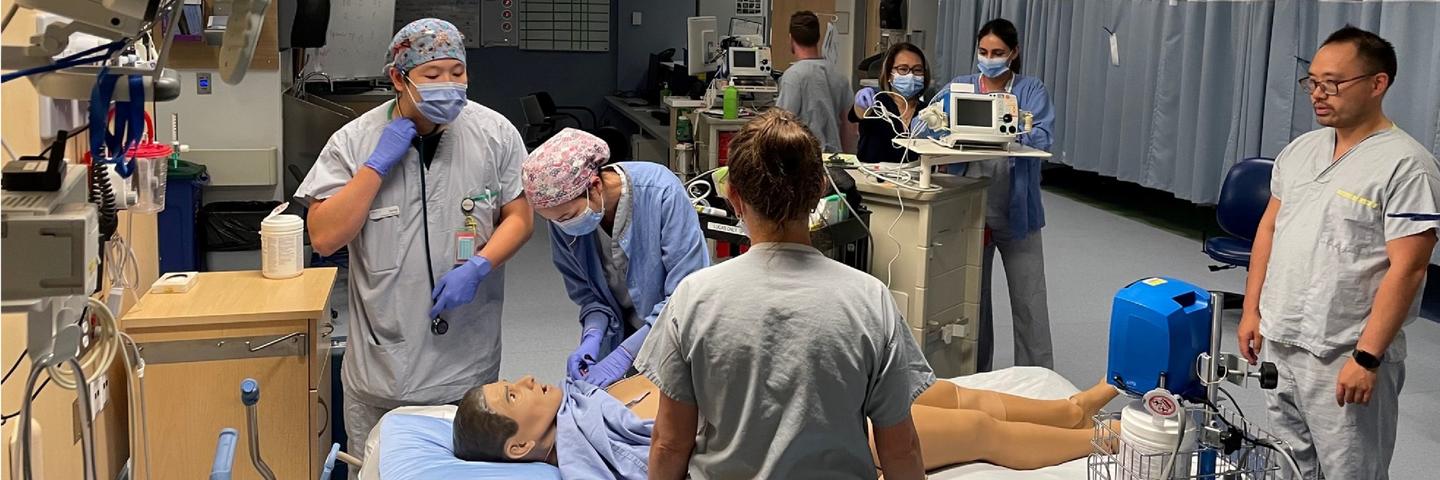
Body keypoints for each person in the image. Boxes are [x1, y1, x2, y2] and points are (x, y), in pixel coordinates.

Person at [600, 109, 927, 479]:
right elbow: (901, 448)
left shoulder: (693, 299)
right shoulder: (871, 299)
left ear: (732, 196)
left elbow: (670, 443)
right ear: (820, 188)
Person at [294, 18, 534, 463]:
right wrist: (376, 166)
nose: (448, 84)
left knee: (465, 469)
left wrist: (481, 264)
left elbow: (519, 216)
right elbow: (324, 237)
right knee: (379, 467)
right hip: (385, 368)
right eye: (432, 75)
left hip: (467, 361)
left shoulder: (494, 133)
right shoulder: (354, 141)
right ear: (398, 79)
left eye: (457, 72)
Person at [1237, 25, 1439, 480]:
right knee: (1286, 465)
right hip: (1281, 339)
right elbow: (1270, 230)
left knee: (1351, 471)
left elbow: (1409, 269)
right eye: (1312, 81)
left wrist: (1367, 358)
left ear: (1377, 83)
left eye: (1333, 82)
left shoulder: (1407, 166)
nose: (1318, 93)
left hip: (1343, 353)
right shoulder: (1301, 150)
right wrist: (1252, 311)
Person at [450, 374, 1119, 479]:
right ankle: (1099, 439)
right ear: (518, 444)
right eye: (515, 392)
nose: (531, 381)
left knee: (936, 388)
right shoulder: (589, 452)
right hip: (805, 437)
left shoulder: (588, 404)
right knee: (975, 433)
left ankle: (1066, 410)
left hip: (788, 395)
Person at [521, 128, 709, 389]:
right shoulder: (561, 218)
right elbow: (589, 295)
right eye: (552, 220)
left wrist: (625, 354)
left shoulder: (660, 192)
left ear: (595, 186)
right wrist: (593, 335)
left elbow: (686, 298)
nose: (561, 226)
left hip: (676, 337)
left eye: (565, 217)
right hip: (622, 336)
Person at [935, 18, 1055, 371]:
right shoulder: (960, 87)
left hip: (1018, 214)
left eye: (998, 52)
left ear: (1014, 53)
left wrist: (1004, 128)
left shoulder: (1031, 90)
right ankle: (976, 376)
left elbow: (1043, 137)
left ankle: (1038, 381)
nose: (989, 58)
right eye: (984, 52)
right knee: (972, 305)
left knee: (1030, 304)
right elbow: (924, 125)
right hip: (970, 215)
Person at [776, 10, 853, 153]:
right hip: (834, 160)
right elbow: (849, 127)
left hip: (804, 161)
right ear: (818, 38)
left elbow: (782, 125)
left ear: (791, 38)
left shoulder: (793, 77)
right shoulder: (840, 76)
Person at [849, 42, 929, 163]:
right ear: (889, 74)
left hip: (915, 179)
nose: (911, 75)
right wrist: (860, 103)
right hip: (872, 178)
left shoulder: (928, 112)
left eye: (917, 70)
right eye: (903, 69)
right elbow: (859, 114)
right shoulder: (877, 104)